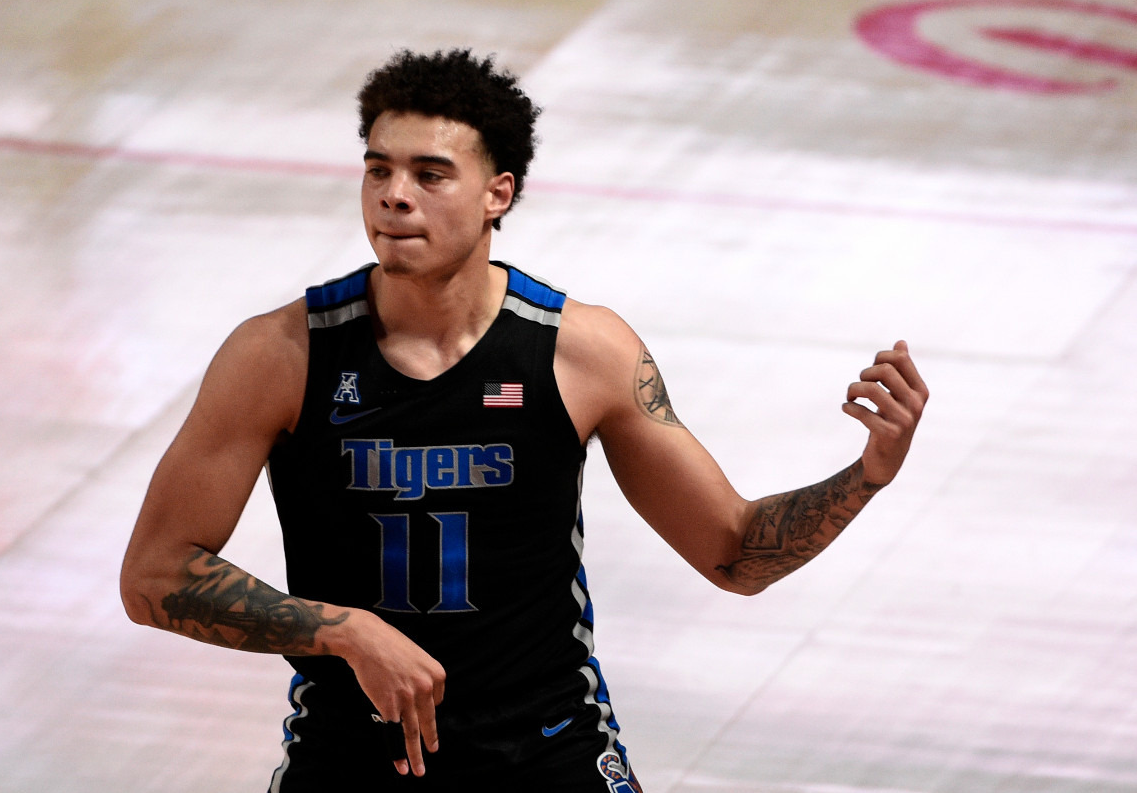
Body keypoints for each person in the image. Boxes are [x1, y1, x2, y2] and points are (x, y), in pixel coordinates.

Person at [120, 48, 928, 792]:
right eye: (379, 169)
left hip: (546, 751)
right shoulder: (280, 354)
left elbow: (734, 554)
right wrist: (343, 631)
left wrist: (866, 476)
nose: (395, 193)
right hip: (350, 753)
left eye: (431, 174)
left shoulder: (583, 352)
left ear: (496, 193)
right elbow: (153, 574)